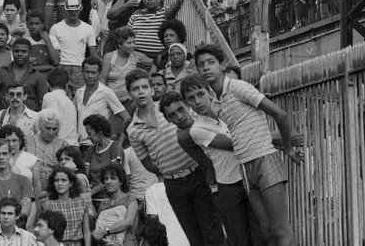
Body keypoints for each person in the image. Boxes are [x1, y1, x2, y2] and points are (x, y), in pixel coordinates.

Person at [196, 44, 300, 246]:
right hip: (244, 167)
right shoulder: (217, 101)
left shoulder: (238, 87)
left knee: (280, 229)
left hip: (265, 160)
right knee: (267, 231)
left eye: (210, 62)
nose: (206, 68)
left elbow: (280, 114)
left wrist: (287, 148)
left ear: (223, 64)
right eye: (201, 65)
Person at [125, 69, 223, 246]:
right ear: (129, 93)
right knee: (193, 236)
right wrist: (168, 170)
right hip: (173, 185)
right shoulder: (133, 129)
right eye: (135, 88)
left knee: (212, 232)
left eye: (144, 87)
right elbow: (147, 162)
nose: (140, 92)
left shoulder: (170, 108)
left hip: (197, 175)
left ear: (152, 90)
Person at [177, 75, 267, 246]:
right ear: (187, 103)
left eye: (200, 94)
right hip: (229, 184)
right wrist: (279, 139)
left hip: (249, 176)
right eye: (191, 98)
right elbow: (237, 143)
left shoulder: (230, 110)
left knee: (260, 234)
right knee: (240, 239)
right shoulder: (197, 129)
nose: (197, 101)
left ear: (210, 92)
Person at [75, 57, 130, 148]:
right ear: (82, 72)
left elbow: (127, 118)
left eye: (93, 72)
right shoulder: (79, 92)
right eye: (87, 72)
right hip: (80, 145)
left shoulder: (106, 92)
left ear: (99, 74)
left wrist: (119, 144)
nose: (90, 76)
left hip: (99, 146)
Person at [49, 0, 98, 95]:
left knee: (80, 101)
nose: (73, 12)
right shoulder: (56, 28)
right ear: (66, 9)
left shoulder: (88, 28)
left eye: (75, 10)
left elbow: (93, 54)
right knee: (60, 100)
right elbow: (54, 54)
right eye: (70, 10)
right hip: (61, 67)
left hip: (80, 68)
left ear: (81, 8)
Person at [0, 38, 49, 111]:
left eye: (23, 51)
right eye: (16, 51)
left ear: (30, 53)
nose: (19, 54)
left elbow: (42, 103)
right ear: (12, 52)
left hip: (30, 119)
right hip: (5, 118)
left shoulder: (39, 77)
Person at [38, 165, 92, 246]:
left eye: (63, 180)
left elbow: (86, 232)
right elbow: (44, 232)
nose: (60, 183)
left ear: (70, 183)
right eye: (57, 180)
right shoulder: (48, 204)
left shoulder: (82, 203)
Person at [91, 163, 139, 246]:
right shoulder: (104, 204)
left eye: (113, 178)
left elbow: (128, 222)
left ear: (121, 181)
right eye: (106, 179)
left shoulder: (130, 199)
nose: (108, 182)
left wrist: (105, 231)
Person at [40, 68, 79, 146]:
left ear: (47, 84)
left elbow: (52, 123)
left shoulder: (50, 97)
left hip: (60, 147)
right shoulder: (70, 102)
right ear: (67, 84)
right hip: (73, 145)